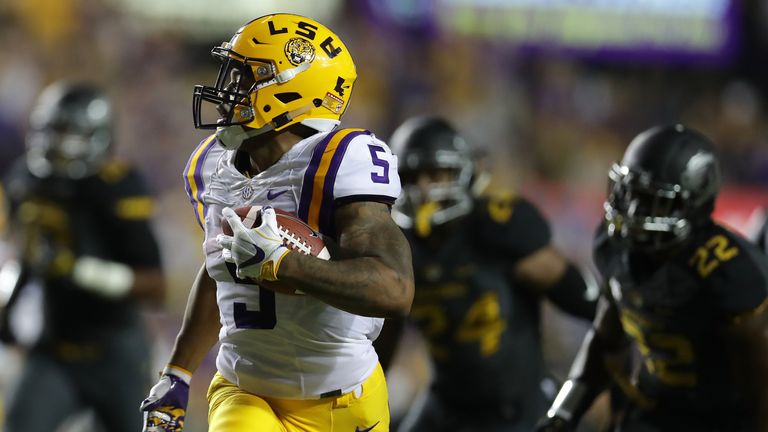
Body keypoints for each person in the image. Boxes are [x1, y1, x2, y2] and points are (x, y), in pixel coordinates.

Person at [139, 13, 414, 432]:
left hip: (344, 397)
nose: (228, 92)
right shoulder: (210, 163)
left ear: (291, 89)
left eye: (245, 78)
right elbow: (221, 270)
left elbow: (394, 289)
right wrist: (177, 371)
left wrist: (285, 265)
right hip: (244, 389)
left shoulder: (340, 159)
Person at [537, 125, 768, 432]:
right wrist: (564, 411)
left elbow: (761, 388)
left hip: (720, 420)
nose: (632, 210)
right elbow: (606, 342)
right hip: (655, 409)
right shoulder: (617, 247)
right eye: (629, 194)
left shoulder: (726, 271)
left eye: (650, 201)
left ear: (691, 203)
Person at [382, 116, 597, 432]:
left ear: (464, 173)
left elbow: (590, 305)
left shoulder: (498, 227)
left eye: (435, 174)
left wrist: (601, 383)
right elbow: (381, 345)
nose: (423, 189)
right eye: (412, 177)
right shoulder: (400, 247)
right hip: (447, 405)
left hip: (516, 406)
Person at [0, 81, 166, 432]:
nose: (56, 143)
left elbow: (155, 287)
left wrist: (78, 270)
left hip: (116, 354)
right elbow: (26, 257)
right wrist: (7, 304)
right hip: (54, 350)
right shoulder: (25, 180)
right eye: (50, 131)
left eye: (68, 133)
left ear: (98, 136)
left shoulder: (117, 187)